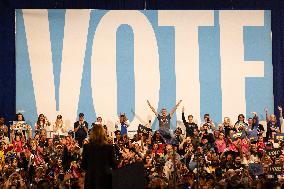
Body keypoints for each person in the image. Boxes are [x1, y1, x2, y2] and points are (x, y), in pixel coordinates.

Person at [81, 124, 116, 189]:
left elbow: (83, 165)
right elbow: (113, 165)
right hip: (105, 179)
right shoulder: (110, 147)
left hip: (91, 179)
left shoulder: (86, 147)